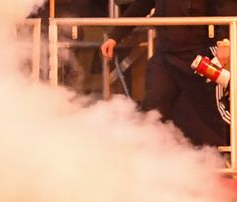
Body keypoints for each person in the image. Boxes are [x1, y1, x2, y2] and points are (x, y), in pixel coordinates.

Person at [100, 0, 237, 146]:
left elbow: (226, 5)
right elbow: (141, 5)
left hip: (202, 54)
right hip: (166, 55)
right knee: (152, 111)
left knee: (211, 116)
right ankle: (145, 159)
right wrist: (115, 36)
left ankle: (228, 155)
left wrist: (225, 41)